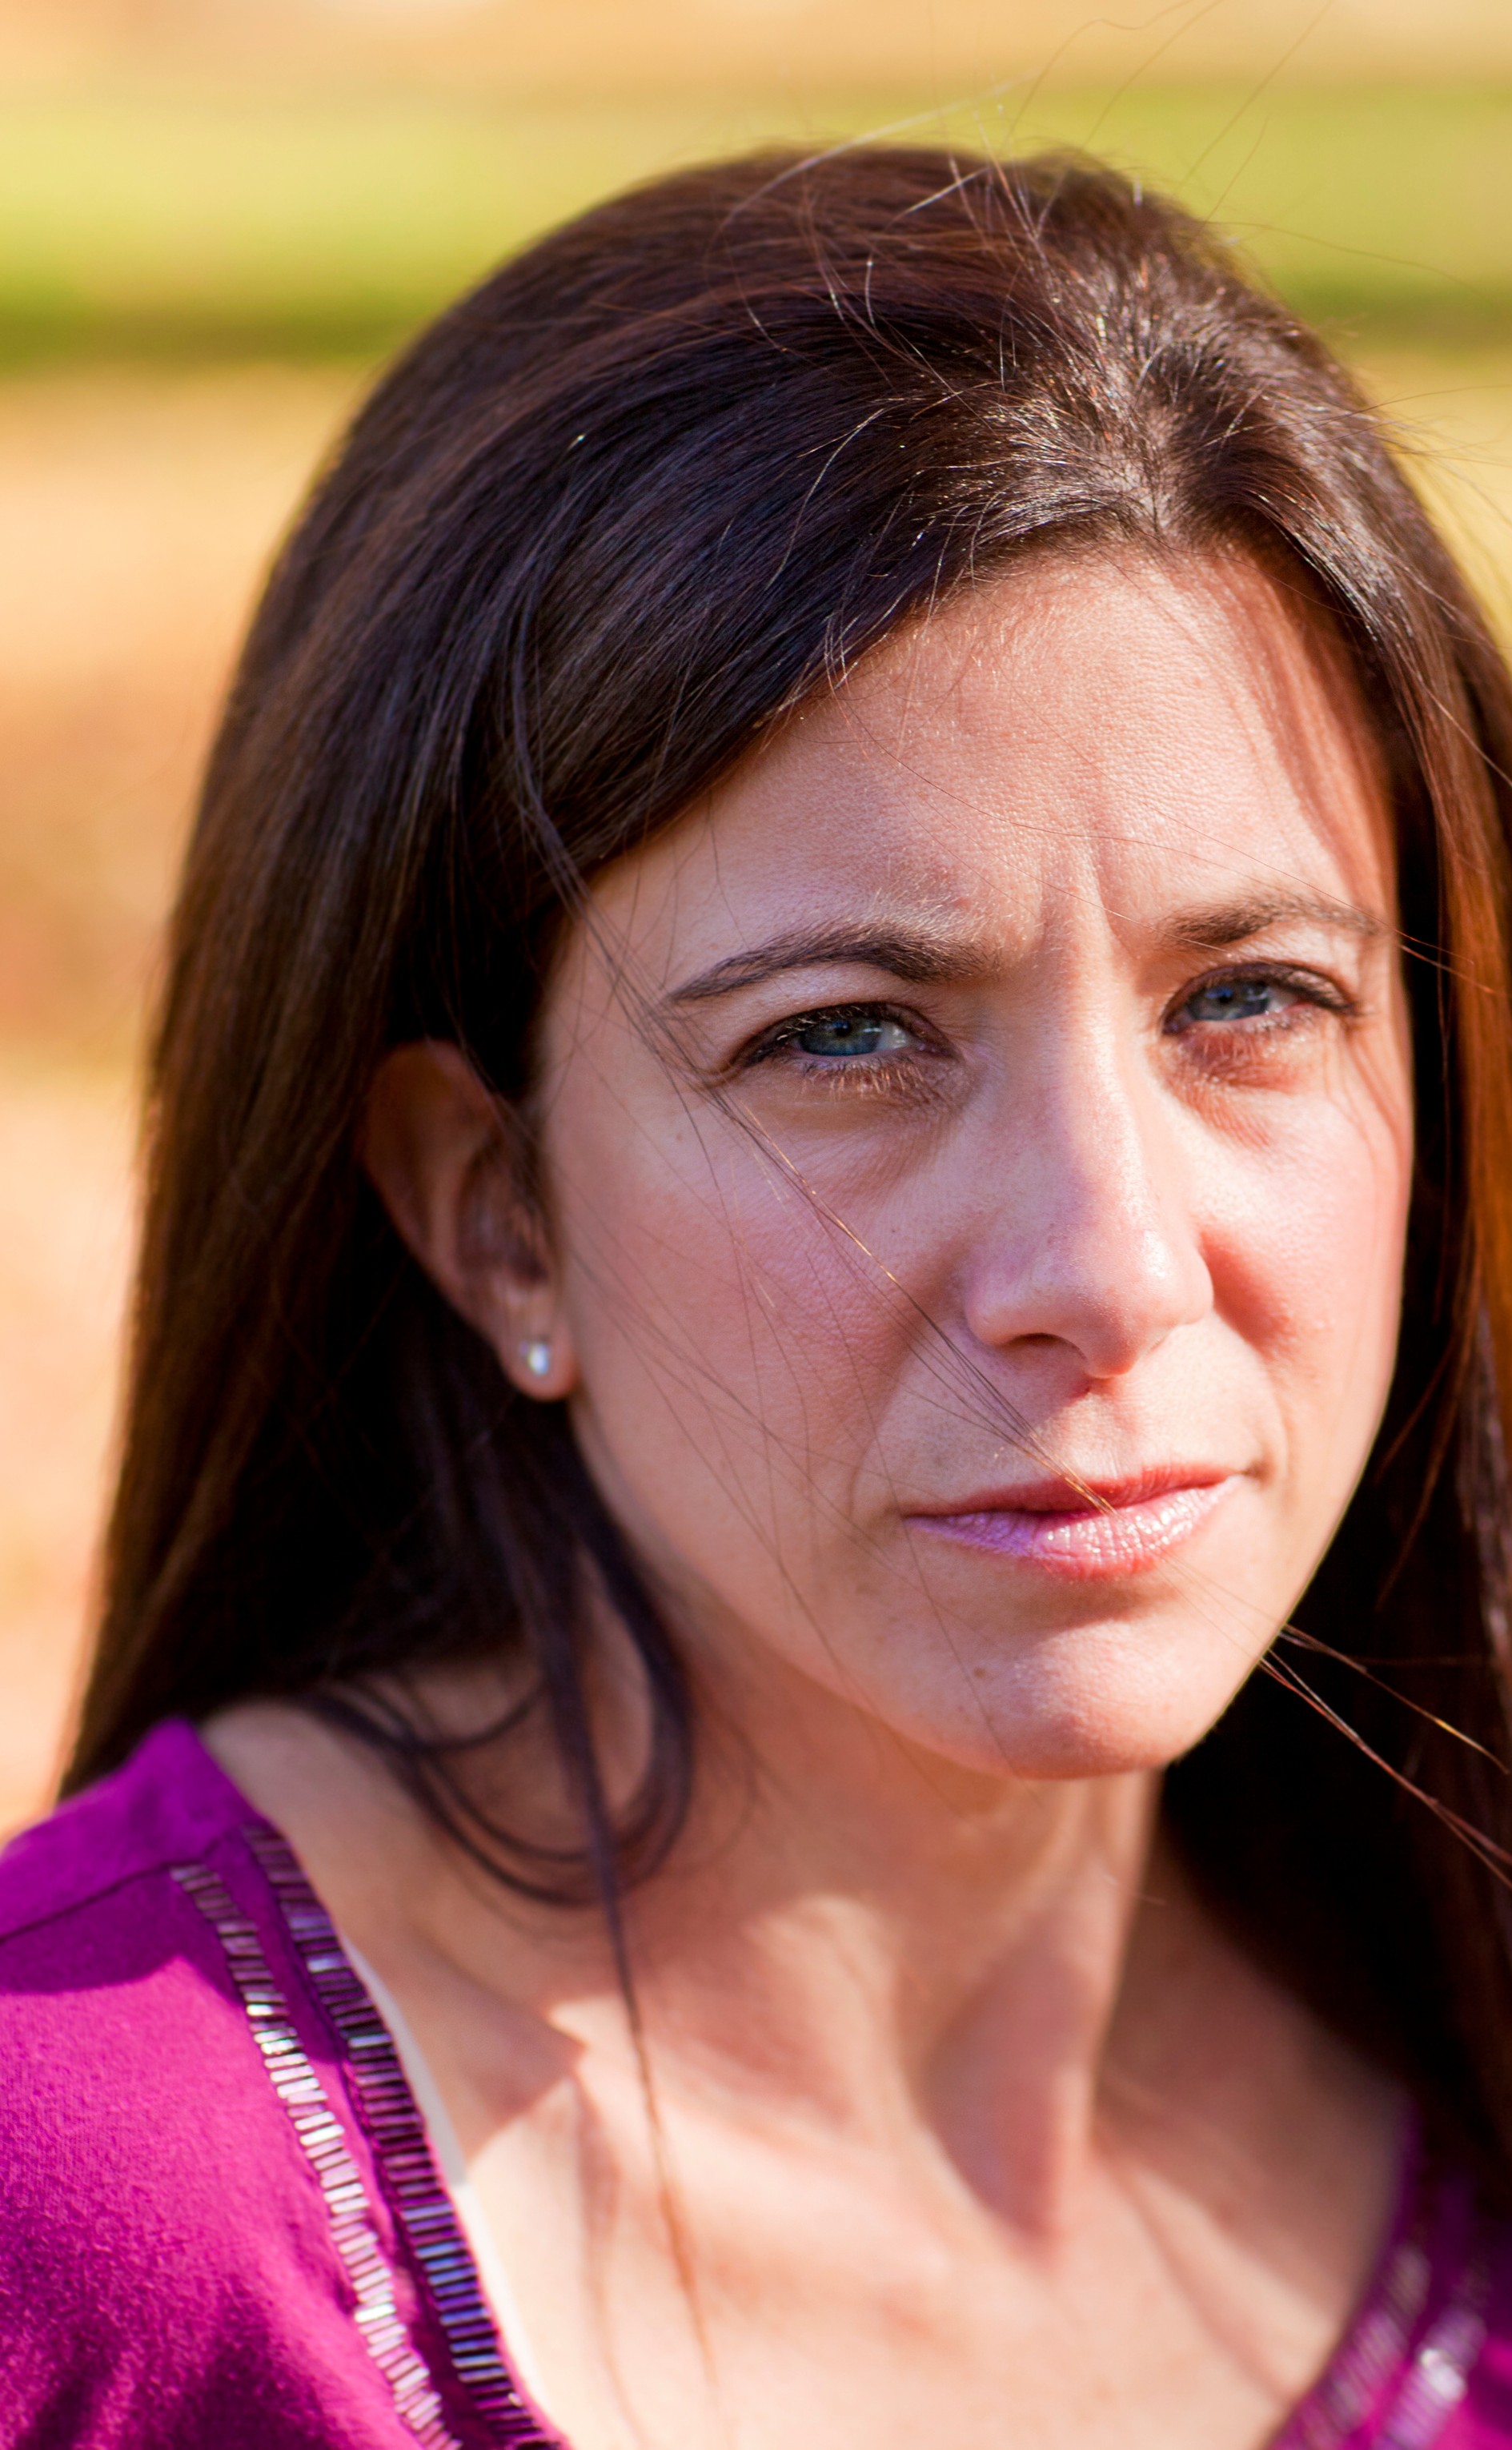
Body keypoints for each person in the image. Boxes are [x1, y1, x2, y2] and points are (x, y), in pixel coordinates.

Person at [4, 141, 1512, 2450]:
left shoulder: (1459, 2066)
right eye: (845, 1035)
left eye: (1251, 999)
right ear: (491, 1208)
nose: (1105, 1263)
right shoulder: (84, 2212)